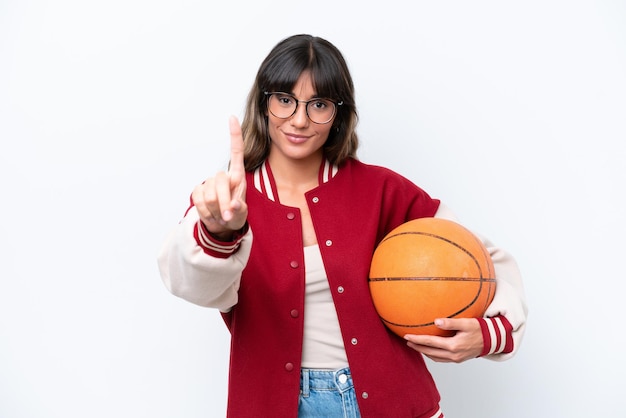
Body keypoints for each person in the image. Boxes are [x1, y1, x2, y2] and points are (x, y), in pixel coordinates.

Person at [157, 34, 527, 418]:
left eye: (319, 104)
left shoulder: (381, 190)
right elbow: (192, 285)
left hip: (394, 404)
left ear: (339, 114)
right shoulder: (225, 200)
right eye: (285, 100)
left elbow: (481, 259)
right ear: (263, 102)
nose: (299, 120)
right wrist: (220, 233)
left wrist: (489, 334)